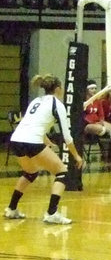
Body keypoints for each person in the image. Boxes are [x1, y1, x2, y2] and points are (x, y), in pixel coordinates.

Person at [4, 74, 86, 224]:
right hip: (32, 141)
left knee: (30, 173)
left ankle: (11, 209)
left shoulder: (36, 101)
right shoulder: (57, 104)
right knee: (62, 173)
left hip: (16, 140)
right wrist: (77, 156)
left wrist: (47, 141)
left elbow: (32, 124)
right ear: (58, 89)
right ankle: (51, 213)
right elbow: (67, 136)